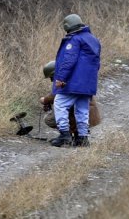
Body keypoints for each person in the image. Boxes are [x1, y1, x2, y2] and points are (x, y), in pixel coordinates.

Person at [50, 14, 101, 147]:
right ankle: (83, 138)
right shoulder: (93, 39)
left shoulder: (74, 39)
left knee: (60, 104)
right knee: (82, 109)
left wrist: (61, 78)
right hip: (88, 83)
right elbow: (97, 63)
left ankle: (64, 136)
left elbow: (68, 60)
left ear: (67, 27)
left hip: (74, 82)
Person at [40, 60, 101, 140]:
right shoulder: (75, 78)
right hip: (90, 115)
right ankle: (78, 136)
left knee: (50, 119)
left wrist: (44, 100)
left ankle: (66, 136)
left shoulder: (66, 81)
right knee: (71, 108)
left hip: (85, 116)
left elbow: (56, 96)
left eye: (52, 77)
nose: (52, 80)